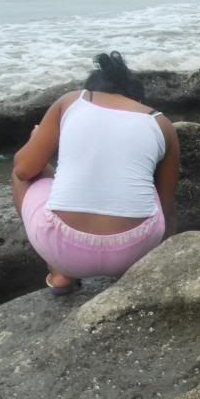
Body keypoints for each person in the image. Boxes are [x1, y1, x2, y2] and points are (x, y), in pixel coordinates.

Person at [12, 51, 180, 294]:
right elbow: (167, 208)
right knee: (148, 187)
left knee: (27, 176)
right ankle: (129, 271)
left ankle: (59, 272)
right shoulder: (161, 123)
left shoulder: (71, 101)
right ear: (137, 100)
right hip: (135, 251)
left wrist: (36, 139)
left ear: (90, 90)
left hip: (64, 249)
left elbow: (23, 169)